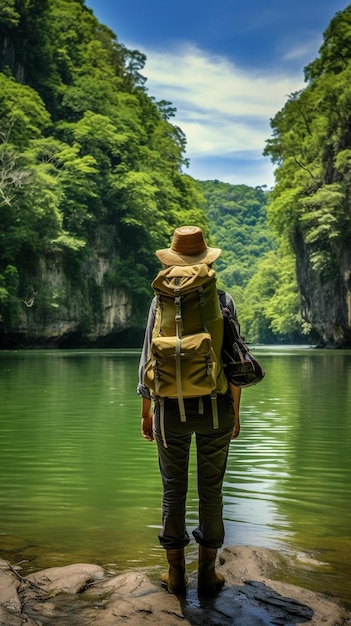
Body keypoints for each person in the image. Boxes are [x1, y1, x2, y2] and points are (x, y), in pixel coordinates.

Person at [137, 226, 241, 596]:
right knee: (211, 492)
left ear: (172, 259)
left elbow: (148, 359)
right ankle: (208, 576)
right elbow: (233, 364)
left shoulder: (159, 302)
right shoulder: (223, 300)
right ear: (206, 259)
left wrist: (146, 410)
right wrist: (236, 413)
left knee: (172, 491)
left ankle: (176, 575)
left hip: (168, 410)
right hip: (215, 409)